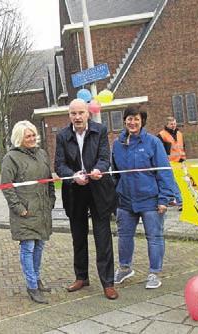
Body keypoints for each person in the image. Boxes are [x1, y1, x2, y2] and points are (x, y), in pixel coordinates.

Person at [54, 99, 118, 300]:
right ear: (69, 115)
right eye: (73, 113)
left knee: (103, 237)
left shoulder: (100, 130)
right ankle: (81, 277)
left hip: (98, 189)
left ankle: (107, 282)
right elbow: (59, 164)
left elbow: (105, 157)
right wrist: (73, 176)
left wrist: (99, 169)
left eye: (81, 113)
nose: (77, 117)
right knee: (78, 237)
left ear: (88, 114)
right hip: (75, 191)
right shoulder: (62, 136)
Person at [112, 106, 180, 289]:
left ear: (142, 121)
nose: (132, 123)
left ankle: (154, 273)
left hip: (151, 200)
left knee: (155, 236)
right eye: (129, 119)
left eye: (136, 119)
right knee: (124, 236)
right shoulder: (117, 144)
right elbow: (115, 173)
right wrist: (115, 196)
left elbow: (164, 172)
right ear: (124, 121)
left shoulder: (153, 143)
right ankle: (125, 268)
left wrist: (164, 199)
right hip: (126, 201)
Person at [1, 120, 56, 304]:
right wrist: (19, 208)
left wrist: (51, 199)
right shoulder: (11, 158)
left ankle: (37, 279)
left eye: (33, 135)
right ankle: (31, 286)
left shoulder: (42, 154)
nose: (32, 138)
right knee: (28, 248)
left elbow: (48, 179)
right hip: (25, 211)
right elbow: (6, 186)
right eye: (28, 136)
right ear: (20, 138)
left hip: (41, 209)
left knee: (39, 246)